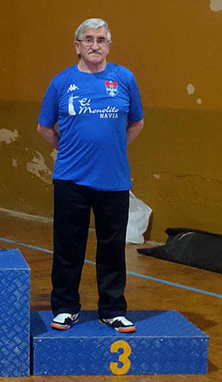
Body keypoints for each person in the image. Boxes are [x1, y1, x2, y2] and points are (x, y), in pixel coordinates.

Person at [37, 18, 144, 333]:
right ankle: (66, 307)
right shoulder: (60, 82)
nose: (95, 45)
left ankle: (112, 309)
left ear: (109, 45)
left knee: (112, 248)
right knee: (68, 247)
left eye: (101, 39)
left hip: (114, 181)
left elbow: (137, 123)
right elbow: (44, 127)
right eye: (88, 39)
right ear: (77, 46)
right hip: (71, 180)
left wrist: (113, 150)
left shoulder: (125, 79)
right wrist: (69, 149)